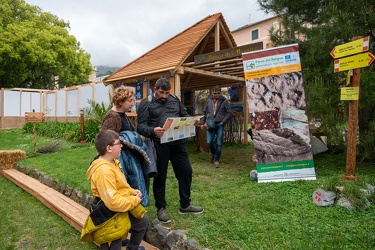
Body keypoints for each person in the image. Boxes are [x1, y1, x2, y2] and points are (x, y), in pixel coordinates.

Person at [136, 77, 204, 224]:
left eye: (167, 93)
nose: (164, 96)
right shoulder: (145, 104)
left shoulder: (175, 100)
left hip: (178, 143)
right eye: (161, 93)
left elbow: (184, 115)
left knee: (186, 171)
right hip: (159, 144)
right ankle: (161, 208)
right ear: (155, 90)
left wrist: (193, 121)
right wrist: (153, 130)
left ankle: (185, 204)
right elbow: (140, 127)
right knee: (160, 176)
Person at [80, 130, 148, 250]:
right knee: (114, 237)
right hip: (109, 212)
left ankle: (132, 248)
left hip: (119, 204)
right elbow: (113, 202)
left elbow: (120, 185)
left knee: (141, 221)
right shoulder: (104, 172)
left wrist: (132, 191)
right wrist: (135, 200)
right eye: (118, 143)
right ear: (109, 148)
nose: (121, 146)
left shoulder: (114, 162)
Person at [101, 86, 153, 207]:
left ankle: (134, 209)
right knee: (126, 185)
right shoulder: (113, 116)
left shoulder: (122, 114)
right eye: (130, 101)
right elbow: (105, 138)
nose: (132, 103)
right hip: (122, 159)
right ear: (120, 101)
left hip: (129, 157)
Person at [200, 85, 232, 168]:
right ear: (212, 92)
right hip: (210, 124)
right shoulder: (208, 101)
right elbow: (204, 112)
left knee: (219, 143)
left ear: (220, 92)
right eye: (215, 93)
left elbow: (229, 113)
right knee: (209, 142)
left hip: (219, 125)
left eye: (218, 93)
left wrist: (223, 122)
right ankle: (213, 153)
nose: (216, 94)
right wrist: (202, 123)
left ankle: (216, 160)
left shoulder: (224, 101)